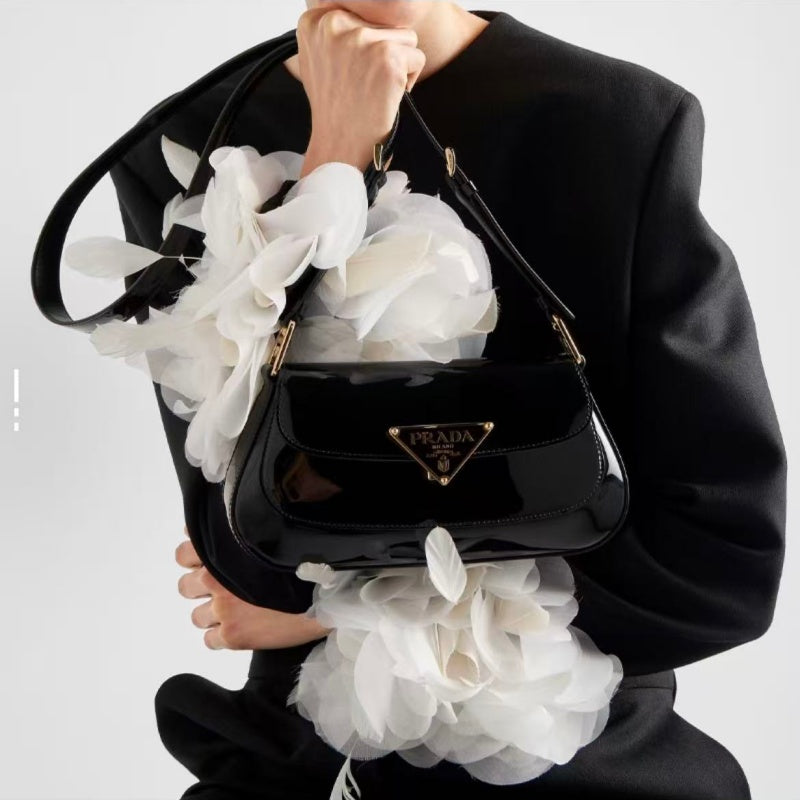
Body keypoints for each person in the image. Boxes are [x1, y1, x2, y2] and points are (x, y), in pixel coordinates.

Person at [108, 3, 787, 798]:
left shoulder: (617, 122)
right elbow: (251, 562)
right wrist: (333, 164)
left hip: (584, 762)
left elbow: (719, 566)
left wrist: (332, 615)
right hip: (303, 755)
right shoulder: (189, 144)